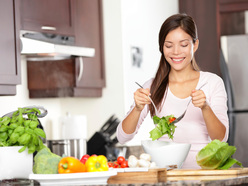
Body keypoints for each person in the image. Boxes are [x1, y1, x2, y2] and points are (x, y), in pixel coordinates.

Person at [116, 13, 229, 169]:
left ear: (194, 45)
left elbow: (221, 138)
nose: (176, 52)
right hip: (167, 177)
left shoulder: (212, 82)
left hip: (205, 175)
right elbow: (122, 137)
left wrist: (205, 107)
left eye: (183, 45)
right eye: (169, 45)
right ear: (162, 47)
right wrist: (137, 109)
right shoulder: (152, 86)